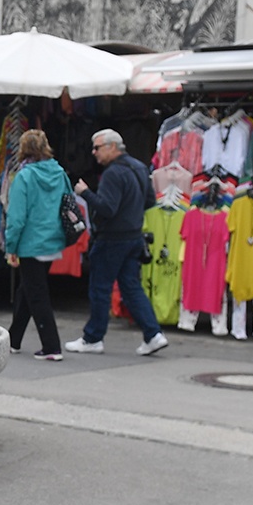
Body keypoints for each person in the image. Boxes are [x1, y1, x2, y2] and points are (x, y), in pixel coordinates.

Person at [68, 128, 167, 356]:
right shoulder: (140, 167)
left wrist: (85, 193)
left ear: (113, 147)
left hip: (112, 239)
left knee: (100, 288)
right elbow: (150, 200)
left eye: (97, 147)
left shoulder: (113, 173)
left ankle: (93, 338)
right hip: (133, 236)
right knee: (131, 287)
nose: (93, 152)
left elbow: (107, 208)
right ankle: (153, 334)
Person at [3, 128, 71, 361]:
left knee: (37, 294)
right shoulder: (59, 172)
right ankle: (13, 339)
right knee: (28, 289)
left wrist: (10, 247)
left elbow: (17, 217)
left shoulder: (25, 176)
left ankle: (52, 346)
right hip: (52, 241)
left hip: (31, 243)